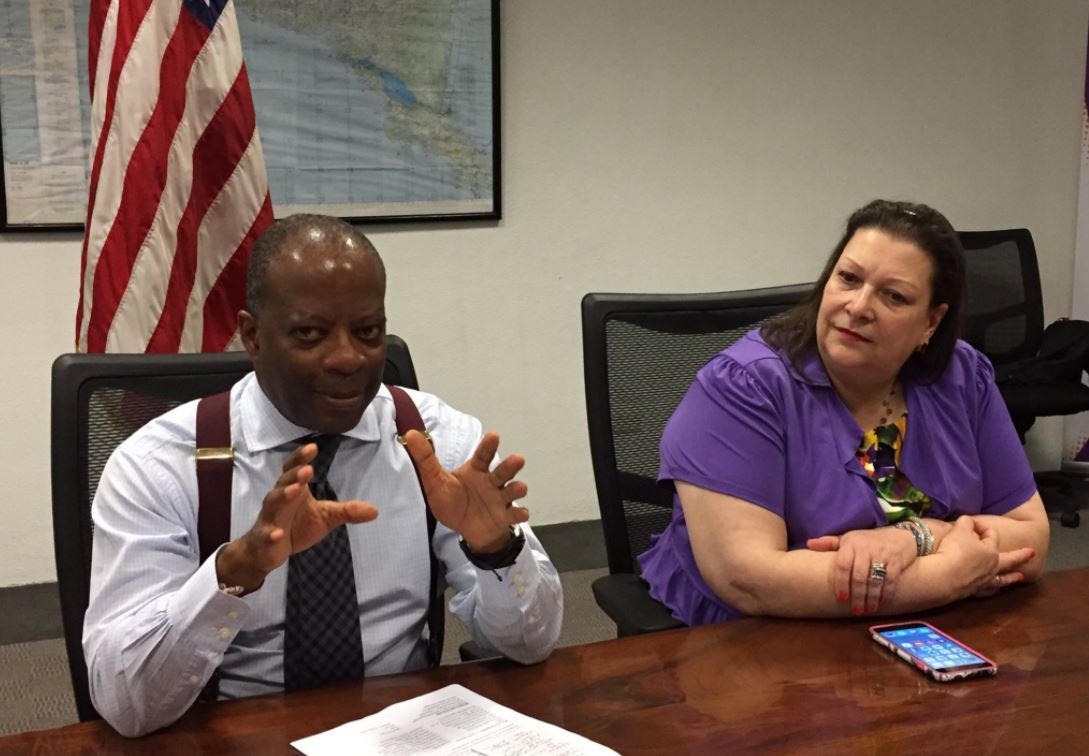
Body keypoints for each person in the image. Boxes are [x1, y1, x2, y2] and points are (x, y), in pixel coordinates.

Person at [83, 215, 563, 737]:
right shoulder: (160, 465)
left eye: (368, 332)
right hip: (233, 735)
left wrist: (495, 549)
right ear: (252, 335)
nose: (346, 358)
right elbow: (127, 705)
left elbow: (530, 645)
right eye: (309, 334)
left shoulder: (437, 441)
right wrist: (232, 574)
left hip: (402, 733)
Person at [639, 199, 1049, 626]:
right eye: (849, 279)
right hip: (761, 642)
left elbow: (1031, 536)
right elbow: (750, 579)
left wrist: (916, 537)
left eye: (893, 296)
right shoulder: (742, 387)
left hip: (928, 630)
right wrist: (946, 576)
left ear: (931, 322)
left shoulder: (961, 376)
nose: (858, 307)